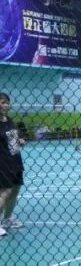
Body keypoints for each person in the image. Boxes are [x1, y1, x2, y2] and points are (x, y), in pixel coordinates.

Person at [0, 92, 26, 236]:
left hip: (15, 160)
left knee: (15, 189)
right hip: (2, 162)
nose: (5, 105)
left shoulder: (9, 121)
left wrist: (19, 141)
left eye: (7, 102)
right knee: (5, 192)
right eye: (2, 102)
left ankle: (7, 218)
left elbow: (13, 138)